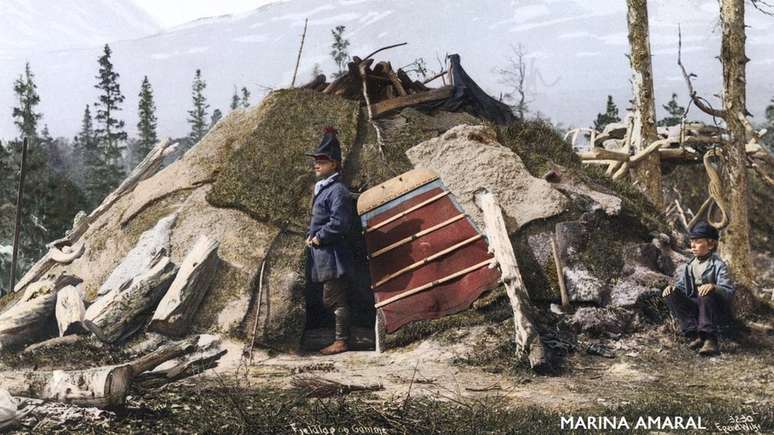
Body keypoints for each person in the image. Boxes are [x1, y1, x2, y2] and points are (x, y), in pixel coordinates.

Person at [305, 127, 354, 355]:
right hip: (323, 255)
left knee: (335, 299)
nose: (316, 164)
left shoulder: (338, 191)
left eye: (322, 161)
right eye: (316, 160)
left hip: (333, 254)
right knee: (330, 298)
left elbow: (339, 223)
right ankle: (339, 338)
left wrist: (318, 237)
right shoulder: (324, 189)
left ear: (334, 164)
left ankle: (342, 341)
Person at [662, 221, 735, 356]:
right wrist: (673, 289)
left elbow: (728, 291)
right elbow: (682, 286)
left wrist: (713, 287)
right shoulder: (690, 265)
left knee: (705, 292)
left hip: (714, 309)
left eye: (698, 242)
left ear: (711, 244)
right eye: (692, 241)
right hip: (697, 307)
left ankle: (710, 339)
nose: (693, 246)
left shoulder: (718, 265)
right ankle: (695, 334)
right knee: (671, 294)